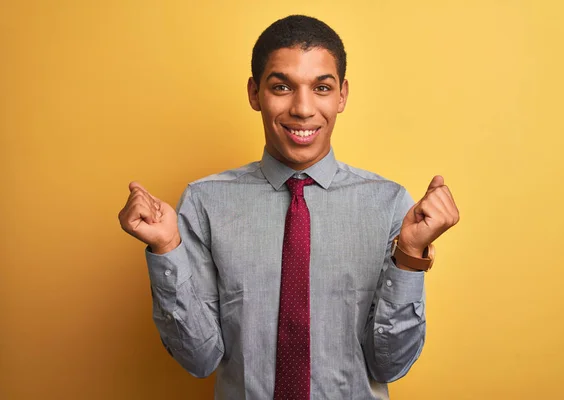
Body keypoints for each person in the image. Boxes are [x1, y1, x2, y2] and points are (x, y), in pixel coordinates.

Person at [118, 15, 459, 400]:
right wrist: (166, 250)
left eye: (322, 87)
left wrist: (410, 256)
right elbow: (200, 359)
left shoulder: (389, 203)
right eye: (282, 86)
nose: (303, 108)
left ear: (342, 95)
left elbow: (390, 365)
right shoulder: (205, 202)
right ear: (254, 93)